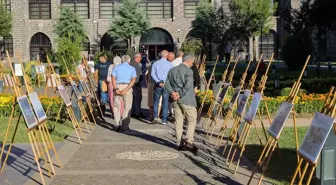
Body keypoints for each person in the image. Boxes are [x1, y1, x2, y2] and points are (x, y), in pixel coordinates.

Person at [165, 53, 198, 152]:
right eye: (192, 62)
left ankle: (179, 142)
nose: (192, 64)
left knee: (178, 120)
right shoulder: (188, 71)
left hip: (174, 100)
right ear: (188, 61)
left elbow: (167, 83)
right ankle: (188, 140)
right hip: (187, 99)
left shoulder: (172, 70)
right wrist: (179, 94)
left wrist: (172, 93)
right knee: (192, 119)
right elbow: (188, 85)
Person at [111, 55, 137, 132]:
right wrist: (126, 89)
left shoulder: (116, 67)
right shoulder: (132, 68)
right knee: (127, 107)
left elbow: (113, 77)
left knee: (116, 106)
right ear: (129, 61)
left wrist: (116, 88)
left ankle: (116, 123)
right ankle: (125, 125)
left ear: (122, 60)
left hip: (118, 85)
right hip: (127, 86)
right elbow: (133, 80)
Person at [151, 50, 173, 125]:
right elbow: (171, 75)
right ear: (166, 56)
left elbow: (152, 74)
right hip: (166, 84)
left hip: (158, 84)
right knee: (165, 101)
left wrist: (158, 81)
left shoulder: (155, 63)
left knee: (156, 101)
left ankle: (155, 117)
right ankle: (164, 119)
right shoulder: (170, 64)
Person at [130, 52, 144, 119]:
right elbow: (138, 76)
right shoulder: (135, 65)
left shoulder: (132, 64)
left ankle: (133, 112)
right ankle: (137, 113)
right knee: (138, 98)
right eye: (140, 57)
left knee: (133, 98)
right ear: (137, 57)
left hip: (133, 83)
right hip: (136, 84)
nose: (141, 58)